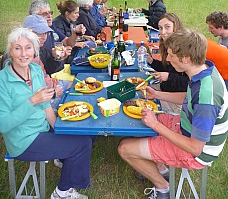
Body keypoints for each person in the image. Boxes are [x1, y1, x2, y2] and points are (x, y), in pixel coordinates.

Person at [118, 29, 228, 199]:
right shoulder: (203, 69)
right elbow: (190, 98)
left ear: (185, 58)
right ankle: (161, 168)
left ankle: (163, 188)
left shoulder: (207, 95)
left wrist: (156, 125)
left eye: (170, 55)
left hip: (196, 152)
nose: (167, 59)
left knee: (124, 148)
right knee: (139, 120)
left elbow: (195, 148)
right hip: (186, 127)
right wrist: (158, 95)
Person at [0, 28, 92, 199]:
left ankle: (63, 157)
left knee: (81, 130)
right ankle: (62, 192)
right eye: (17, 48)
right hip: (23, 141)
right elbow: (3, 125)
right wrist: (32, 101)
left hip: (41, 126)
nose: (23, 53)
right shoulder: (2, 81)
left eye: (28, 48)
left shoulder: (34, 70)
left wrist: (59, 128)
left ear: (34, 50)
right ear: (10, 51)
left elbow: (45, 106)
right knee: (82, 144)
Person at [22, 15, 72, 108]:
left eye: (45, 33)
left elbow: (50, 70)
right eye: (38, 33)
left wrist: (56, 58)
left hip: (51, 85)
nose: (43, 37)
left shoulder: (39, 48)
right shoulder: (20, 58)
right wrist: (53, 93)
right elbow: (26, 94)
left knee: (76, 85)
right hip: (44, 99)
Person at [147, 13, 188, 92]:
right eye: (160, 28)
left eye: (167, 27)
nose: (162, 32)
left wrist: (169, 77)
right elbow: (167, 67)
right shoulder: (166, 44)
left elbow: (189, 83)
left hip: (178, 98)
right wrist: (152, 61)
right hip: (166, 89)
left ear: (176, 27)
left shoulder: (185, 48)